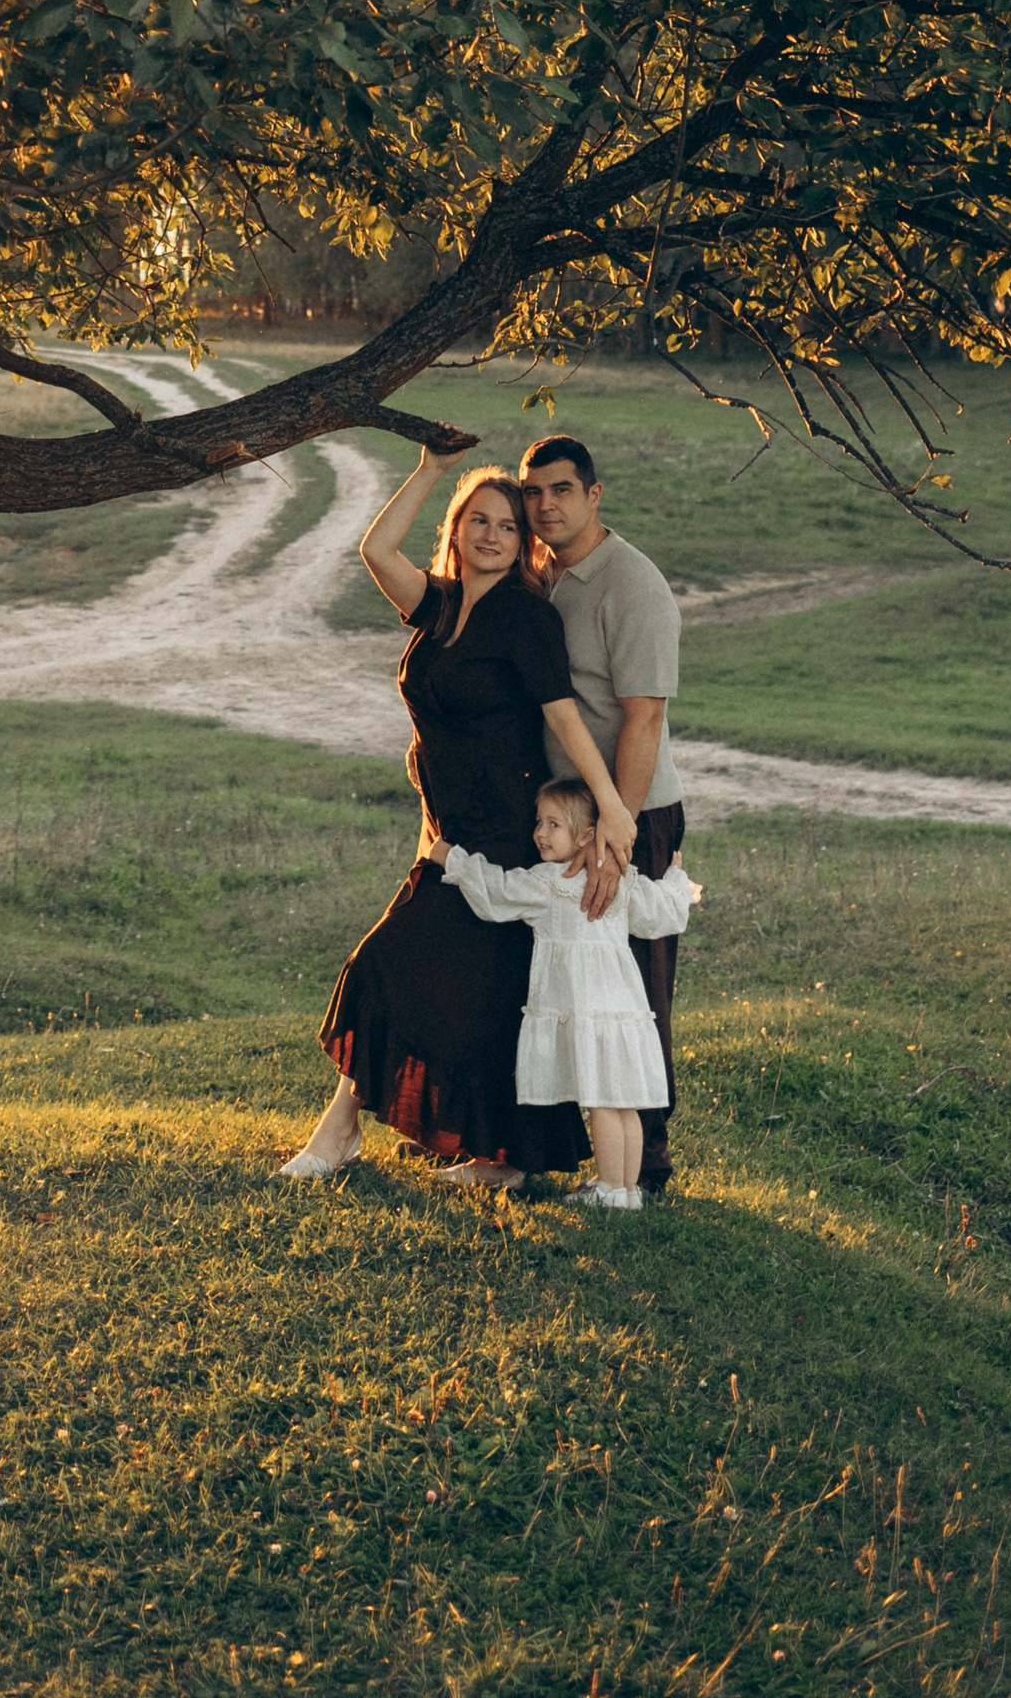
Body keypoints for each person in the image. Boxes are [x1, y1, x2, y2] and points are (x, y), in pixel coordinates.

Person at [280, 447, 638, 1191]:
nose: (492, 535)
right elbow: (375, 548)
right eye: (479, 520)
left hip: (506, 834)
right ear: (457, 528)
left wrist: (611, 807)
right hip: (446, 833)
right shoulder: (440, 605)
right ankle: (497, 1157)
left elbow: (564, 720)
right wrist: (429, 467)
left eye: (508, 527)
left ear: (522, 544)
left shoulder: (524, 618)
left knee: (390, 966)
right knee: (486, 998)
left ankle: (341, 1135)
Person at [519, 431, 687, 1193]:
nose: (546, 505)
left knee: (635, 991)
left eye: (562, 489)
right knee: (579, 987)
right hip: (577, 817)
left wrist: (613, 834)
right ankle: (592, 1152)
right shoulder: (551, 577)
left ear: (594, 494)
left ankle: (646, 1167)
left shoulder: (632, 582)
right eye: (535, 492)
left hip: (632, 814)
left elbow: (642, 717)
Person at [432, 778, 700, 1211]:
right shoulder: (621, 881)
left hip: (583, 1007)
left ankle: (611, 1189)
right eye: (539, 822)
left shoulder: (549, 883)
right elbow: (662, 914)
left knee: (601, 1099)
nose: (539, 833)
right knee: (623, 1100)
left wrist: (452, 859)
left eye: (553, 824)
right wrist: (675, 876)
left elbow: (495, 894)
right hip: (622, 1005)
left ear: (587, 836)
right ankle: (626, 1189)